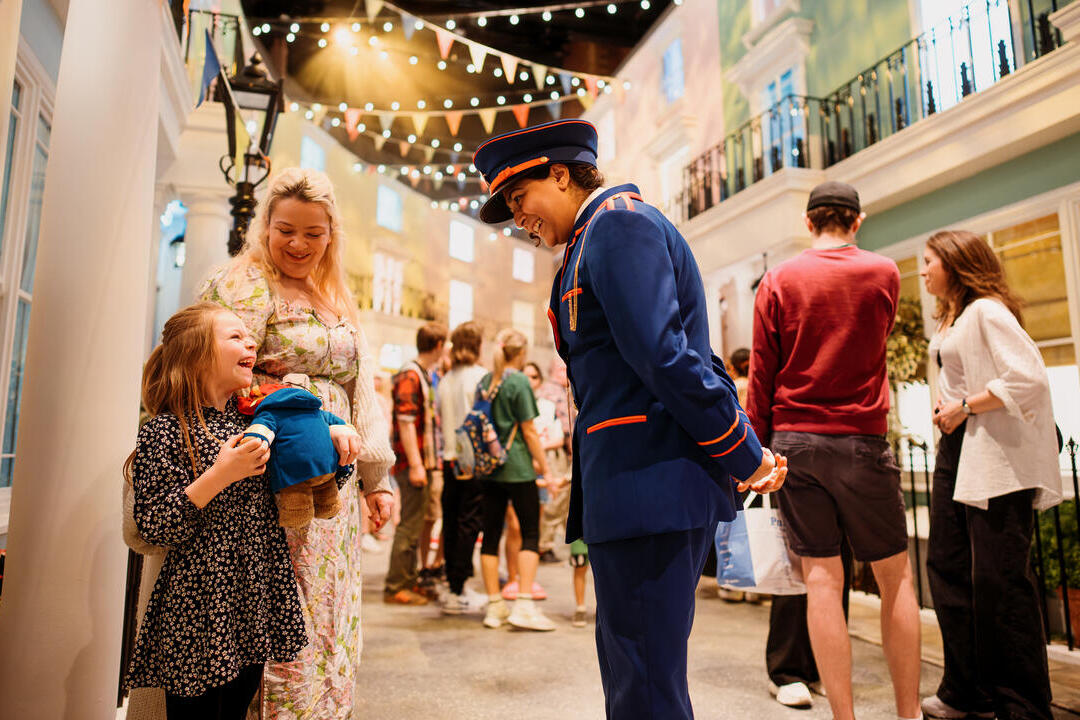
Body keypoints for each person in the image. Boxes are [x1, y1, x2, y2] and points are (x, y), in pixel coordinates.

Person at [474, 119, 786, 718]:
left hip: (649, 483)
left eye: (520, 199)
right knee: (637, 674)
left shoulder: (616, 225)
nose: (519, 218)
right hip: (638, 485)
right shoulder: (597, 233)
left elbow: (669, 359)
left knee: (643, 684)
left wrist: (745, 452)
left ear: (559, 174)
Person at [201, 167, 395, 719]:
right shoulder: (244, 285)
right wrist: (309, 412)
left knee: (328, 604)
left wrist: (376, 478)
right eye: (286, 229)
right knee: (287, 604)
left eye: (313, 233)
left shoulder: (333, 292)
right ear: (265, 226)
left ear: (331, 235)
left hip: (338, 474)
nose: (298, 243)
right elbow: (220, 372)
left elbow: (363, 389)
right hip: (274, 473)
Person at [746, 181, 922, 720]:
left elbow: (762, 374)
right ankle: (908, 713)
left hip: (795, 441)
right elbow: (875, 338)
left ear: (808, 222)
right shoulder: (883, 273)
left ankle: (843, 717)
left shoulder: (778, 279)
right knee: (896, 578)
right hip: (861, 438)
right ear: (857, 221)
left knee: (821, 578)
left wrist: (750, 453)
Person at [123, 303, 313, 719]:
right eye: (234, 336)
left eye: (249, 336)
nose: (251, 342)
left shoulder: (257, 423)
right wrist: (221, 473)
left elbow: (305, 482)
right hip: (199, 602)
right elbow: (155, 527)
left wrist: (338, 443)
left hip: (254, 592)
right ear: (196, 354)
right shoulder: (165, 429)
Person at [920, 230, 1060, 720]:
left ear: (955, 263)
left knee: (1000, 579)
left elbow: (1028, 377)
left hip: (994, 456)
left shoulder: (986, 310)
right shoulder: (955, 317)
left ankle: (1022, 704)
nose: (922, 269)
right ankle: (966, 689)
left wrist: (962, 406)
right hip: (957, 450)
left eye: (929, 260)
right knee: (948, 568)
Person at [477, 328, 556, 631]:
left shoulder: (486, 380)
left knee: (491, 536)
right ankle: (523, 602)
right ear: (522, 354)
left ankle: (494, 606)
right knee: (530, 533)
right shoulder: (520, 381)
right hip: (519, 468)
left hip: (489, 469)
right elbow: (529, 431)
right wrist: (546, 470)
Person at [384, 322, 448, 605]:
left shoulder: (421, 374)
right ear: (438, 346)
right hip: (413, 463)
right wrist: (418, 465)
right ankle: (396, 585)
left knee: (415, 522)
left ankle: (408, 581)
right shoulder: (411, 374)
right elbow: (406, 423)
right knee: (409, 526)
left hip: (420, 461)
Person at [436, 321, 490, 614]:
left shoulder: (445, 380)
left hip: (450, 458)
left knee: (452, 520)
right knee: (469, 523)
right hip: (473, 460)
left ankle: (453, 585)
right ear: (477, 345)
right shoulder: (482, 377)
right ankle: (460, 589)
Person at [533, 358, 573, 563]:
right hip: (555, 452)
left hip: (546, 450)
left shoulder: (543, 391)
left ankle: (545, 543)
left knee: (553, 499)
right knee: (556, 499)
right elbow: (567, 426)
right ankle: (544, 546)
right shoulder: (556, 392)